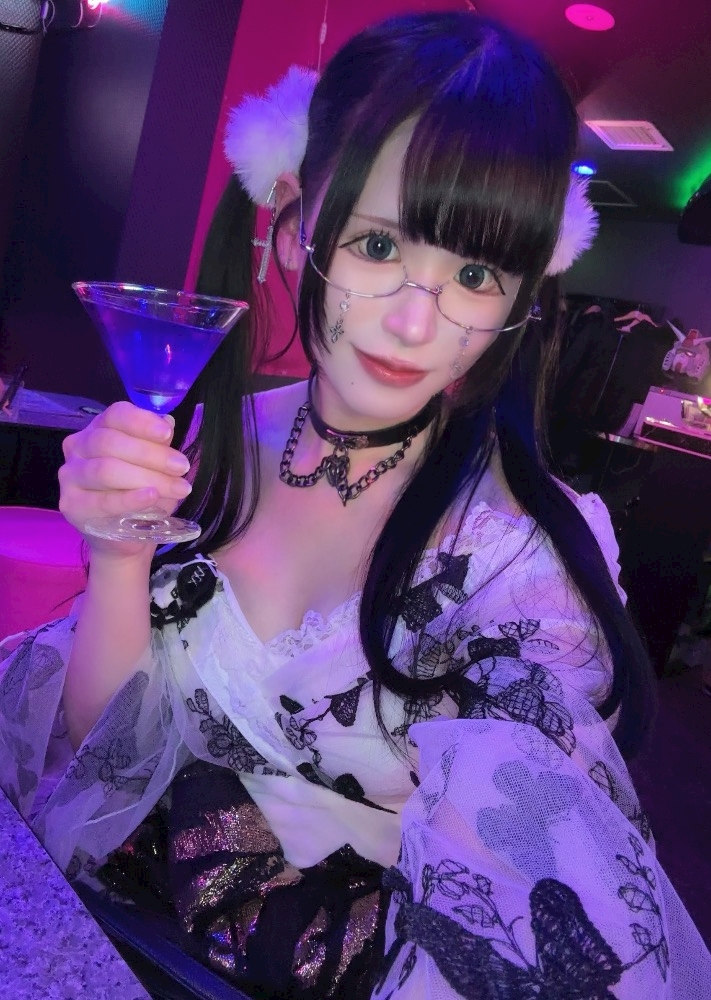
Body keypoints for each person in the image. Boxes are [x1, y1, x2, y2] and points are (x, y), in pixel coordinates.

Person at [1, 10, 709, 998]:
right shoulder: (212, 441)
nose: (415, 324)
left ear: (521, 292)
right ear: (301, 227)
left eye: (474, 274)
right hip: (103, 942)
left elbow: (525, 925)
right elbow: (100, 751)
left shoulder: (525, 555)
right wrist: (116, 552)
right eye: (378, 245)